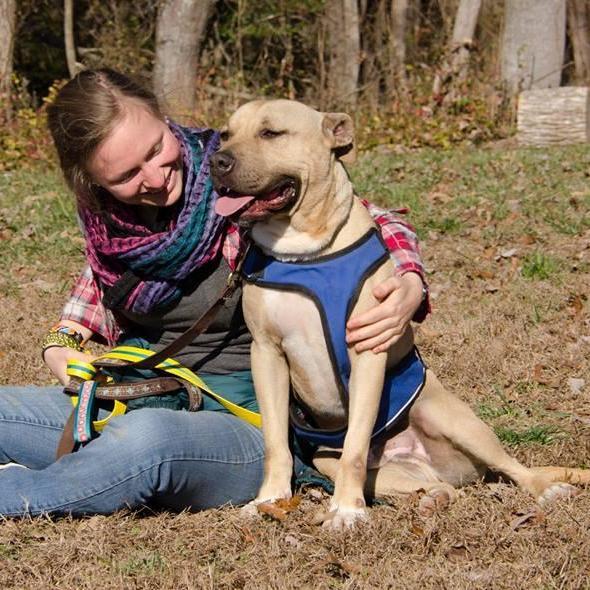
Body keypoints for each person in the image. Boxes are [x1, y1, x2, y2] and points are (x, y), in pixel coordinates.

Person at [0, 68, 429, 517]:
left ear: (166, 121)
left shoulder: (237, 173)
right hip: (140, 392)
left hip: (245, 420)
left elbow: (369, 219)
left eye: (155, 149)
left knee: (144, 442)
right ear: (93, 182)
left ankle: (32, 488)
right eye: (127, 173)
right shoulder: (113, 229)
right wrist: (60, 346)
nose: (155, 177)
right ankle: (69, 474)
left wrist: (410, 281)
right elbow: (86, 306)